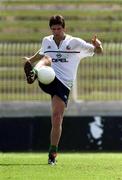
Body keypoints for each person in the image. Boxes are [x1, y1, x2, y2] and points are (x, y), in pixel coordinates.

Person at [23, 15, 103, 165]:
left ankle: (52, 153)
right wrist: (30, 60)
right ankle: (33, 73)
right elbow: (43, 53)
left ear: (64, 28)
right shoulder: (47, 40)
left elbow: (98, 52)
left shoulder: (75, 43)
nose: (56, 32)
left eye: (58, 29)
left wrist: (98, 45)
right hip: (48, 77)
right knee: (48, 58)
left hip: (64, 84)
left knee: (57, 117)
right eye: (53, 29)